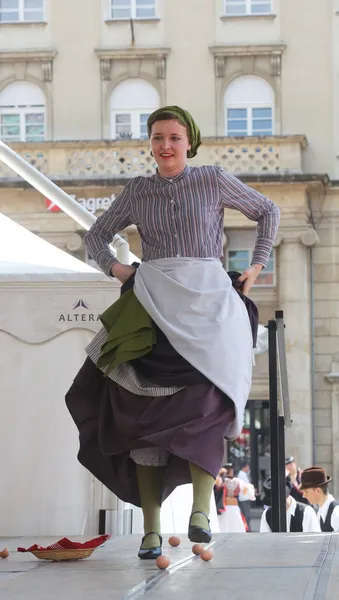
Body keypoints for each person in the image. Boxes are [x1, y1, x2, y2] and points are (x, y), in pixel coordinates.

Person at [66, 105, 280, 559]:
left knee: (210, 403)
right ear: (150, 142)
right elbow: (96, 234)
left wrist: (256, 268)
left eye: (174, 137)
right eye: (158, 137)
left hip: (209, 300)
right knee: (143, 414)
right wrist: (119, 269)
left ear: (189, 142)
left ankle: (201, 510)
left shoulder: (212, 178)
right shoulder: (137, 191)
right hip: (154, 300)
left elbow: (268, 211)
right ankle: (150, 529)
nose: (165, 145)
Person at [216, 464, 255, 532]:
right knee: (236, 524)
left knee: (224, 525)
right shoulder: (238, 481)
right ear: (231, 470)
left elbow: (215, 486)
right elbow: (248, 490)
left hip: (224, 506)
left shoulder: (221, 481)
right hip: (232, 505)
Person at [300, 467, 339, 532]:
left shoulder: (336, 513)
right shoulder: (320, 512)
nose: (304, 496)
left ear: (318, 491)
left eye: (306, 492)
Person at [237, 462, 253, 532]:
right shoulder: (241, 475)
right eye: (247, 467)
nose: (248, 469)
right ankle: (246, 528)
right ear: (244, 467)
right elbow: (245, 487)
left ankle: (247, 528)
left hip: (245, 497)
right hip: (244, 498)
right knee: (246, 514)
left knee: (247, 514)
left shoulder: (243, 475)